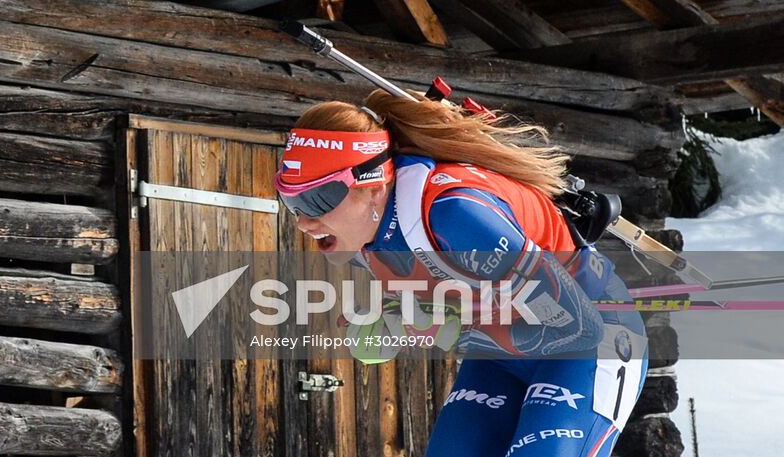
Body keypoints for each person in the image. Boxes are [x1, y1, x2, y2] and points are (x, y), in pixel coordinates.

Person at [272, 90, 648, 457]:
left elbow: (573, 323)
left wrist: (444, 320)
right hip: (501, 356)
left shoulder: (456, 213)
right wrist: (393, 322)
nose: (305, 222)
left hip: (588, 344)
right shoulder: (366, 242)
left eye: (316, 199)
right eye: (290, 201)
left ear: (373, 188)